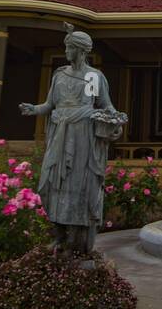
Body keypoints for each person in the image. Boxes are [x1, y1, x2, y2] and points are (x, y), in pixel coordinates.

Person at [20, 27, 126, 254]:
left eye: (69, 47)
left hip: (83, 138)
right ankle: (57, 235)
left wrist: (115, 121)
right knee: (49, 185)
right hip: (60, 134)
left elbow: (105, 105)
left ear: (80, 50)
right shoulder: (59, 75)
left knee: (78, 186)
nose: (66, 51)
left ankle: (73, 241)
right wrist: (34, 109)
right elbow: (50, 105)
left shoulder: (93, 77)